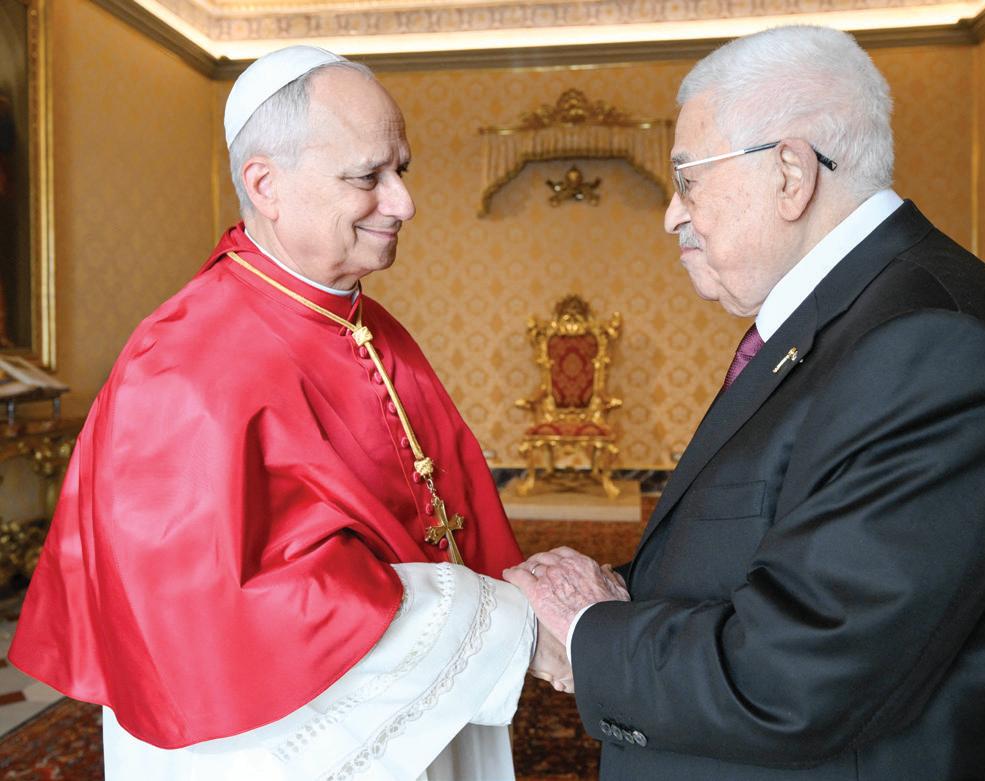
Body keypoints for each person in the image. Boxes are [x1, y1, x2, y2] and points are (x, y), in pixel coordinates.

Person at [506, 25, 985, 780]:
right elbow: (785, 545)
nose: (672, 215)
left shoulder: (931, 346)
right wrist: (621, 590)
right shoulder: (864, 318)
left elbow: (802, 674)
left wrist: (586, 630)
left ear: (789, 173)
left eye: (689, 179)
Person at [11, 46, 568, 781]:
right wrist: (505, 621)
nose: (403, 202)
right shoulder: (181, 363)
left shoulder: (370, 324)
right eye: (368, 177)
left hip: (412, 705)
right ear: (265, 184)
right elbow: (222, 622)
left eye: (401, 169)